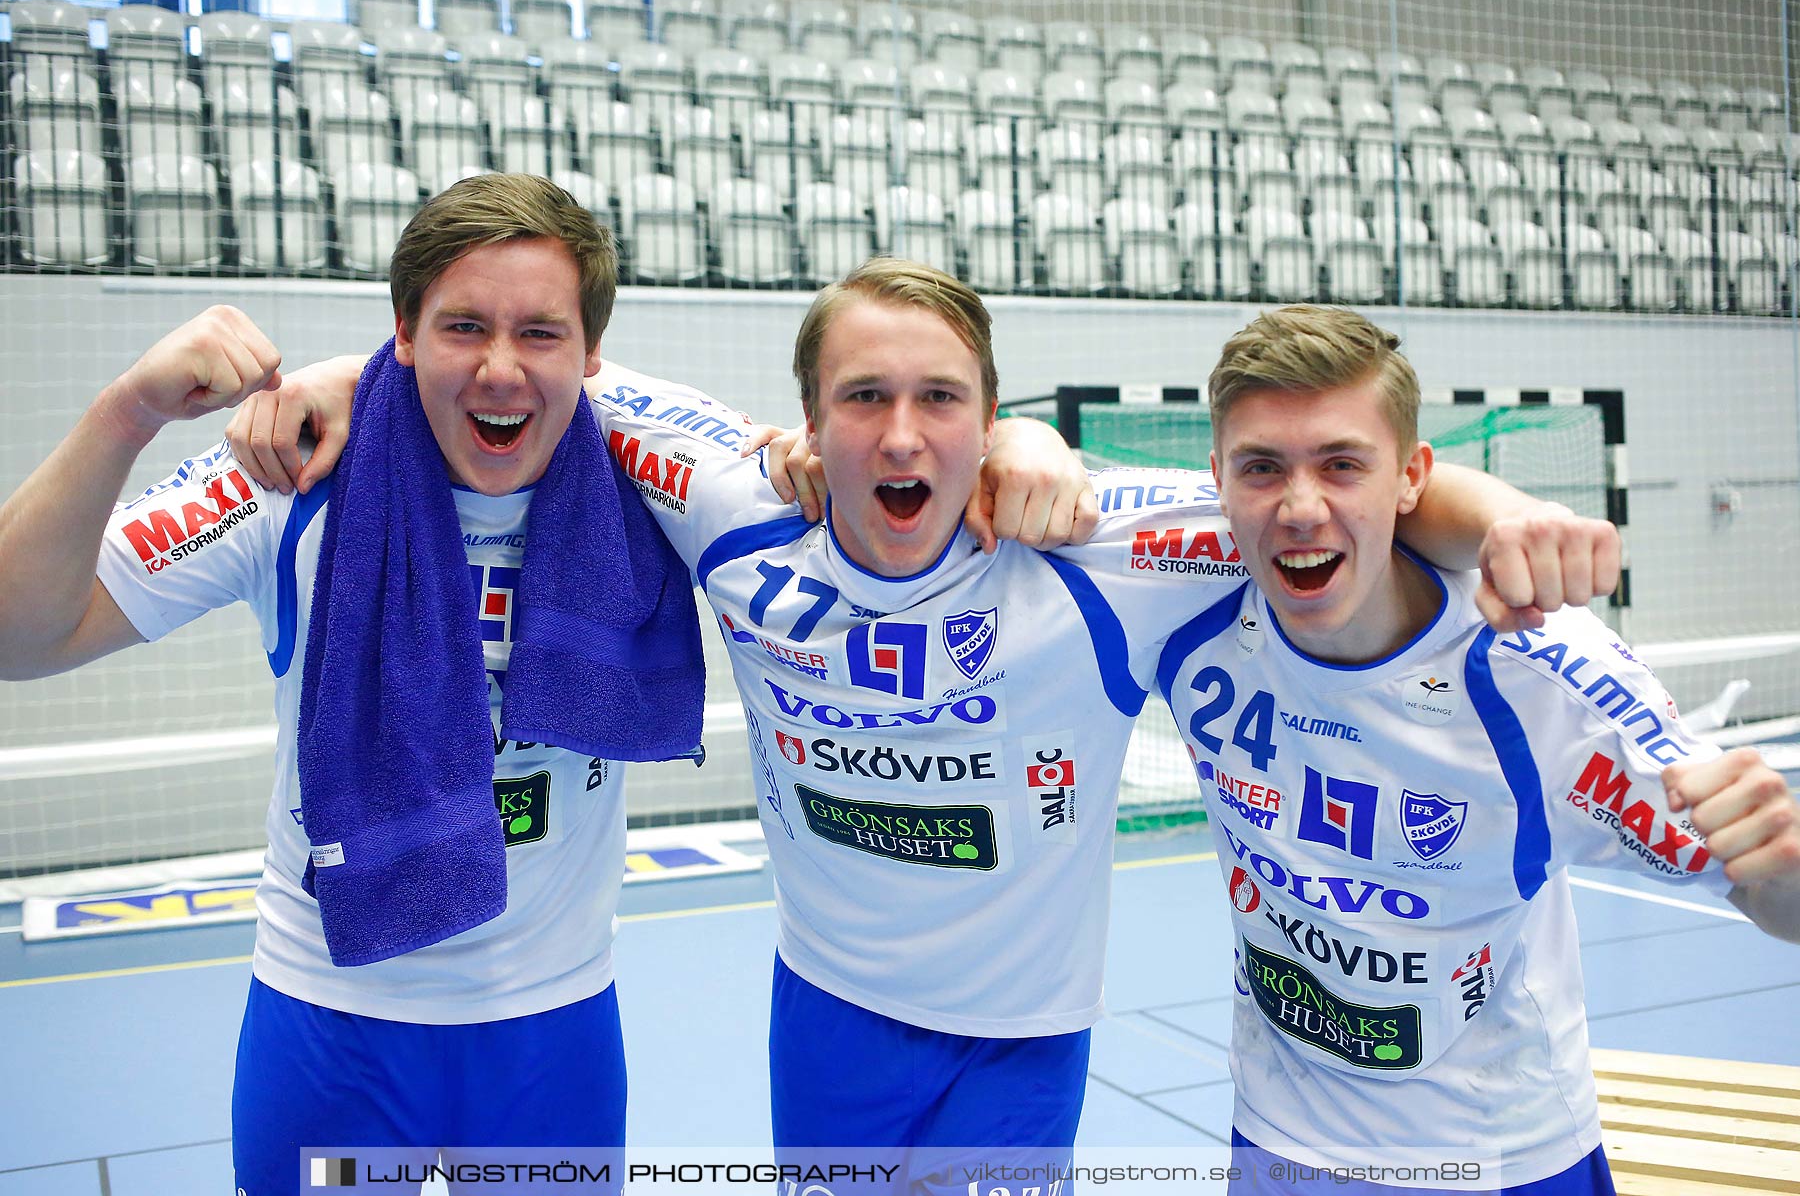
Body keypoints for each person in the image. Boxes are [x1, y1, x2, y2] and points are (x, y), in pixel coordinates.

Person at [231, 259, 1622, 1190]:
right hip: (827, 1018)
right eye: (864, 401)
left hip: (1020, 1041)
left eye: (942, 402)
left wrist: (1506, 519)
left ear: (992, 422)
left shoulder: (1094, 550)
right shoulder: (731, 507)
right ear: (806, 424)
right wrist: (359, 378)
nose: (902, 436)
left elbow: (1324, 501)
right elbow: (537, 378)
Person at [0, 173, 714, 1196]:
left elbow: (850, 481)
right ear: (404, 336)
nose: (502, 369)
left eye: (542, 334)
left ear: (592, 356)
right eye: (463, 326)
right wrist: (129, 413)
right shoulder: (293, 479)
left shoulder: (648, 484)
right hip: (331, 1029)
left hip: (547, 1036)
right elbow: (22, 635)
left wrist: (1010, 445)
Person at [1153, 305, 1800, 1194]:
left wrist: (1778, 860)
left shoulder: (1548, 691)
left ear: (1413, 477)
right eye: (1263, 468)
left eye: (1344, 465)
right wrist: (1023, 443)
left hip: (1499, 1159)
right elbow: (1006, 483)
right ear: (1217, 479)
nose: (1301, 508)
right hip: (1277, 1143)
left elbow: (1776, 905)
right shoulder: (1181, 593)